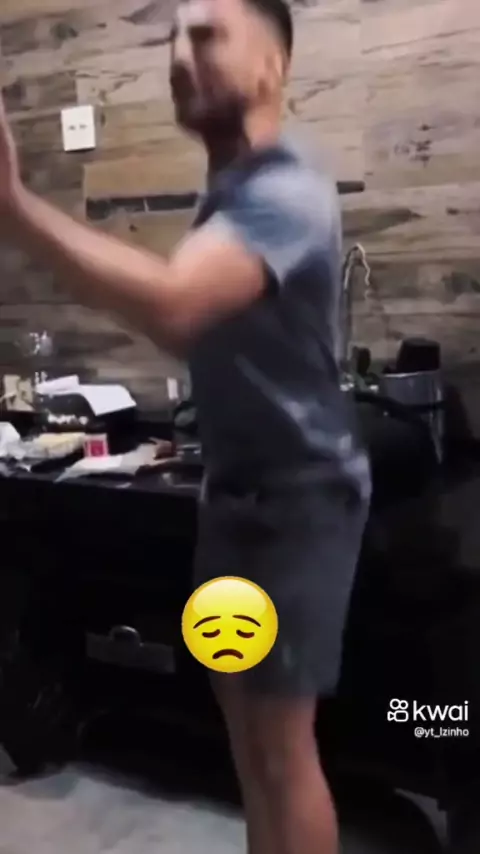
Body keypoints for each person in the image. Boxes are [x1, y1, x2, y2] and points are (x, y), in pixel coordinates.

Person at [0, 0, 371, 850]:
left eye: (207, 35)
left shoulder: (285, 187)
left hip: (296, 504)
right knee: (248, 741)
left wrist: (14, 207)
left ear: (273, 65)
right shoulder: (232, 190)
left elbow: (177, 307)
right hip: (235, 498)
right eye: (173, 36)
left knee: (280, 753)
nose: (178, 54)